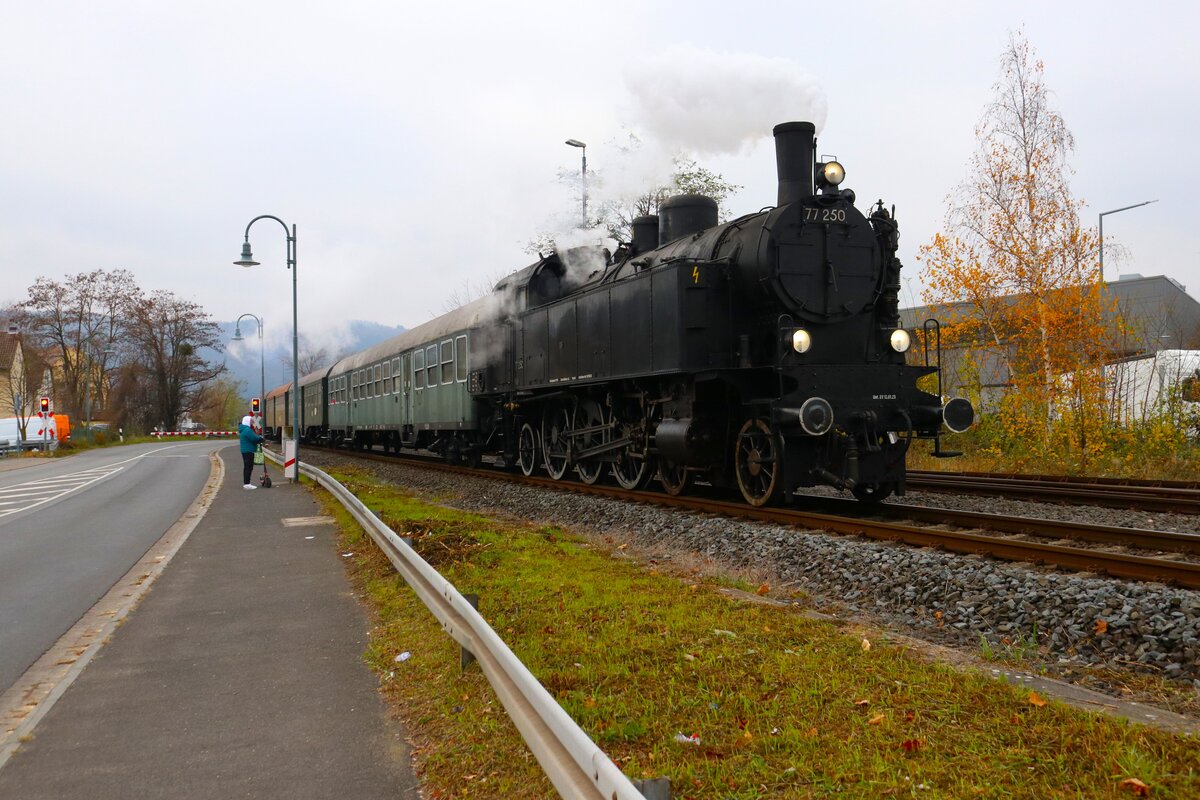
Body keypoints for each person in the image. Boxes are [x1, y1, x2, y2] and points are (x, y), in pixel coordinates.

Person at [238, 414, 265, 489]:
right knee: (248, 467)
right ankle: (247, 484)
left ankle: (246, 483)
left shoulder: (244, 429)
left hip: (246, 450)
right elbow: (254, 438)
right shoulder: (247, 430)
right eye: (250, 421)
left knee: (247, 467)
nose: (252, 423)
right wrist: (261, 439)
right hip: (248, 451)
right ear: (247, 421)